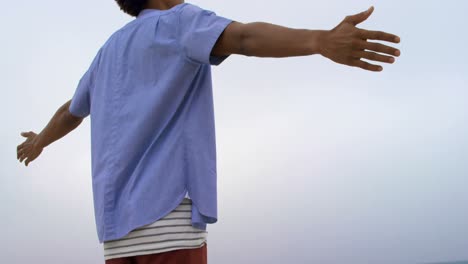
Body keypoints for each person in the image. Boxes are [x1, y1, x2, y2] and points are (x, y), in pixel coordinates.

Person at [16, 0, 400, 263]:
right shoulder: (180, 21)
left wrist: (39, 141)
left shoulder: (107, 51)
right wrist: (320, 41)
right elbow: (246, 37)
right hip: (168, 222)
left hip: (116, 236)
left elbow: (71, 110)